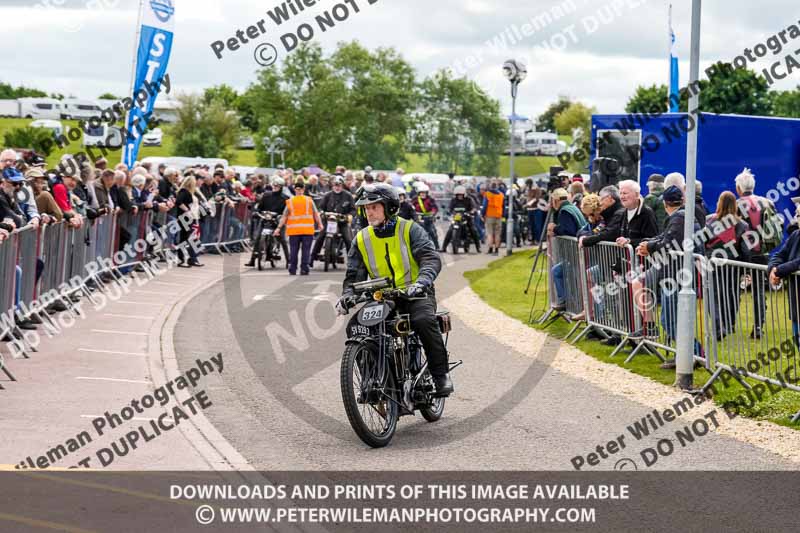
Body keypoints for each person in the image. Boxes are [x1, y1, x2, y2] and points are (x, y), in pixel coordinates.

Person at [335, 183, 453, 397]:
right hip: (382, 298)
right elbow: (353, 276)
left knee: (424, 321)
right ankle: (372, 380)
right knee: (356, 327)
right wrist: (348, 296)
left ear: (389, 207)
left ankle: (440, 375)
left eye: (374, 207)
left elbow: (430, 258)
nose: (369, 212)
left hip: (416, 294)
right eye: (366, 208)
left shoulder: (409, 229)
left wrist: (422, 282)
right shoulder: (361, 238)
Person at [735, 167, 781, 339]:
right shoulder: (767, 202)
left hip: (742, 254)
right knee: (759, 290)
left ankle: (727, 323)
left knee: (732, 286)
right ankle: (758, 326)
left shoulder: (738, 205)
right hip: (763, 253)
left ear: (739, 188)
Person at [705, 191, 751, 340]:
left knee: (714, 295)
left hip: (713, 263)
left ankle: (719, 327)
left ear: (719, 202)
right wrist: (747, 268)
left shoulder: (709, 221)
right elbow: (745, 249)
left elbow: (703, 243)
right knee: (733, 294)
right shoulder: (742, 224)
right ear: (735, 205)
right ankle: (729, 324)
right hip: (733, 264)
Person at [547, 188, 587, 311]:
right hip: (577, 251)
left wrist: (554, 228)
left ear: (555, 200)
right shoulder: (573, 208)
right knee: (559, 272)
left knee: (574, 279)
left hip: (574, 252)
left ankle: (570, 304)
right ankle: (566, 302)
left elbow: (568, 231)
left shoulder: (564, 211)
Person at [274, 180, 323, 276]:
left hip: (294, 231)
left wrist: (278, 228)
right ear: (303, 189)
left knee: (293, 250)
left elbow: (284, 216)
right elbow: (315, 214)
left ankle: (292, 269)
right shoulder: (309, 200)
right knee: (306, 250)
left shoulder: (290, 201)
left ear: (295, 190)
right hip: (307, 230)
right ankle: (304, 269)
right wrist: (320, 224)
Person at [245, 176, 291, 267]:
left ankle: (289, 261)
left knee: (282, 239)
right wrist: (256, 212)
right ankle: (252, 260)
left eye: (277, 186)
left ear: (281, 187)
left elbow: (287, 211)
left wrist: (282, 216)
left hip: (278, 221)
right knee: (258, 238)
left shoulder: (285, 198)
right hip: (265, 219)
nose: (275, 187)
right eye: (274, 186)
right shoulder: (266, 195)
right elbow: (260, 207)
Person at [310, 175, 356, 266]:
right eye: (335, 185)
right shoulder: (327, 195)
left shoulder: (348, 195)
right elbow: (320, 207)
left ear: (342, 185)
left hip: (342, 222)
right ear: (332, 185)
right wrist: (321, 213)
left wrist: (350, 215)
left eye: (339, 185)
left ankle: (352, 261)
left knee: (348, 239)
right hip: (329, 221)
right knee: (320, 236)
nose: (337, 187)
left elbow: (353, 209)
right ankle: (312, 258)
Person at [440, 185, 481, 252]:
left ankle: (478, 247)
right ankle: (444, 248)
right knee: (450, 231)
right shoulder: (453, 200)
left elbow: (474, 207)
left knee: (473, 230)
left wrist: (471, 212)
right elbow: (450, 208)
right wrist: (449, 212)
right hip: (456, 219)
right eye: (458, 195)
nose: (459, 196)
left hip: (467, 218)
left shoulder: (469, 199)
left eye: (461, 195)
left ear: (464, 194)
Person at [174, 176, 203, 268]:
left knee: (189, 238)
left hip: (190, 218)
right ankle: (183, 259)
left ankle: (189, 258)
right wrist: (187, 210)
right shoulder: (184, 191)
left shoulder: (188, 192)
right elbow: (178, 201)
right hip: (185, 218)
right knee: (184, 238)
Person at [413, 182, 440, 250]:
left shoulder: (430, 199)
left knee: (432, 232)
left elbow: (435, 208)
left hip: (428, 219)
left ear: (427, 193)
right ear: (419, 193)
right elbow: (411, 207)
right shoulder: (415, 199)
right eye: (421, 193)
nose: (423, 194)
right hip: (418, 219)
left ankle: (437, 246)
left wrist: (432, 213)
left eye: (424, 193)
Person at [481, 179, 505, 255]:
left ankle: (490, 249)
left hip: (490, 215)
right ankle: (497, 250)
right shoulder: (501, 195)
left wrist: (482, 214)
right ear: (497, 187)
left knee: (490, 233)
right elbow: (503, 206)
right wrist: (503, 215)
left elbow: (485, 206)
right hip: (498, 215)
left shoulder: (487, 194)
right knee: (497, 233)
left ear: (490, 187)